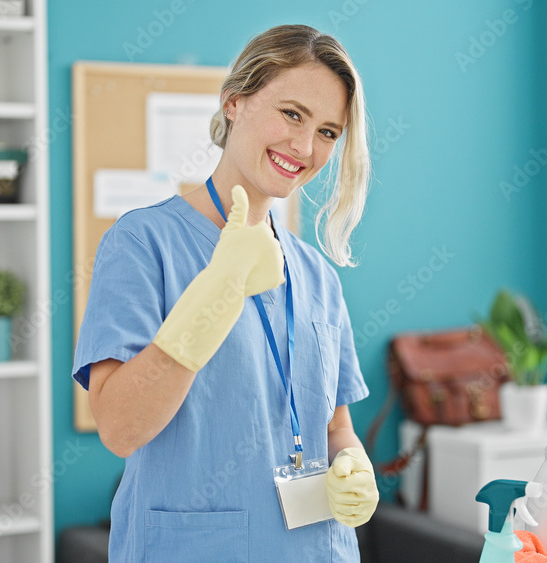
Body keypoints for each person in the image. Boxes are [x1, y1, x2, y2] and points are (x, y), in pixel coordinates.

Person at [72, 24, 378, 561]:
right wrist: (218, 290)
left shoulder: (317, 275)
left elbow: (334, 425)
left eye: (329, 132)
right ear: (234, 101)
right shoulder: (142, 243)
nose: (305, 147)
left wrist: (352, 462)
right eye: (292, 114)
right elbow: (119, 428)